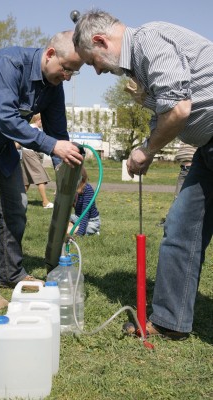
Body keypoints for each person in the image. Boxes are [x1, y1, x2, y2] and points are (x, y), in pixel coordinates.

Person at [73, 10, 213, 339]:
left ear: (100, 41)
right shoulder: (141, 66)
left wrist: (147, 150)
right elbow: (165, 113)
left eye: (93, 61)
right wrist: (147, 146)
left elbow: (180, 109)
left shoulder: (150, 39)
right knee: (180, 228)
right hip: (206, 150)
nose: (97, 71)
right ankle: (170, 322)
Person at [0, 30, 84, 309]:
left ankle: (10, 273)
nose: (66, 76)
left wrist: (67, 176)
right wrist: (53, 147)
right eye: (66, 69)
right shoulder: (7, 63)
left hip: (2, 145)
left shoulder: (54, 87)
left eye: (72, 73)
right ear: (50, 54)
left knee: (17, 206)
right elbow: (6, 119)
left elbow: (57, 132)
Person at [17, 113, 54, 209]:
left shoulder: (33, 128)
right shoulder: (33, 128)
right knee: (40, 177)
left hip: (27, 154)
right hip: (30, 154)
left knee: (26, 181)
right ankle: (45, 202)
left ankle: (17, 202)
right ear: (39, 120)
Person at [157, 143, 197, 227]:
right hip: (184, 170)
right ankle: (171, 221)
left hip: (194, 169)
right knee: (178, 197)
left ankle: (190, 223)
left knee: (195, 198)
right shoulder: (185, 134)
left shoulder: (200, 134)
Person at [68, 166, 100, 236]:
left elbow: (85, 213)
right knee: (59, 223)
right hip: (77, 218)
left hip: (90, 221)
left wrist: (80, 233)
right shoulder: (73, 188)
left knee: (65, 231)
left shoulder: (87, 189)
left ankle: (93, 230)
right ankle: (74, 227)